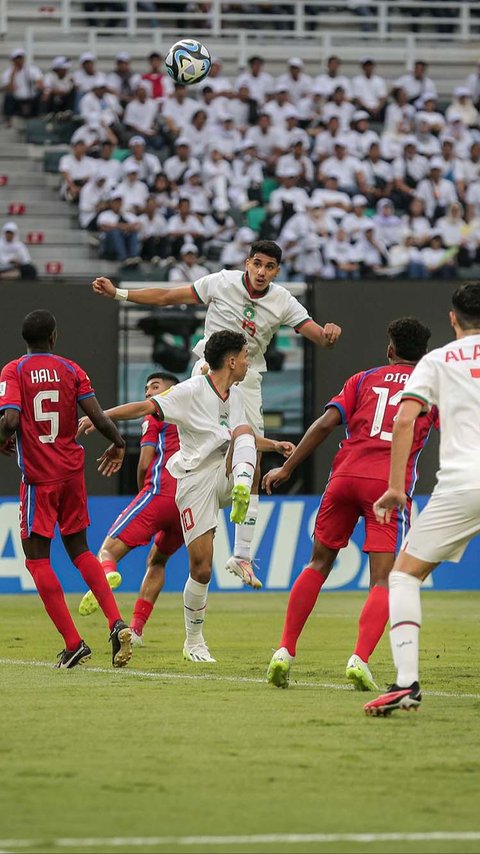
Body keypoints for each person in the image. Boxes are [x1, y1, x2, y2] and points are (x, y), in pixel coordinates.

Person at [91, 240, 342, 591]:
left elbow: (319, 336)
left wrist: (330, 335)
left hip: (248, 379)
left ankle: (240, 554)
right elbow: (167, 297)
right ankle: (193, 491)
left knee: (251, 459)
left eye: (269, 267)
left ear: (277, 271)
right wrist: (119, 294)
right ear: (247, 262)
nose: (261, 272)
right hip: (208, 374)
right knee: (204, 449)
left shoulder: (283, 300)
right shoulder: (220, 282)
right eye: (257, 263)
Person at [263, 318, 437, 690]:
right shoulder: (431, 388)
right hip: (388, 486)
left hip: (344, 478)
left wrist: (287, 468)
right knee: (383, 579)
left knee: (318, 563)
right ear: (425, 356)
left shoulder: (362, 379)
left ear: (390, 351)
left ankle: (284, 651)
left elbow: (325, 424)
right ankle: (359, 658)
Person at [83, 331, 258, 663]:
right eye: (246, 355)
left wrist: (274, 449)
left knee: (246, 433)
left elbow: (239, 436)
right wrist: (100, 416)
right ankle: (192, 641)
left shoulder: (236, 397)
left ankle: (242, 528)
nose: (250, 361)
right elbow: (143, 408)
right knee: (202, 568)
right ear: (231, 361)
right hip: (191, 483)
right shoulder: (189, 391)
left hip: (221, 472)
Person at [366, 283, 480, 715]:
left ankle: (405, 683)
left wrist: (396, 487)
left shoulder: (436, 361)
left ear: (453, 319)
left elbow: (405, 419)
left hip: (463, 484)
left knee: (404, 576)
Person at [0, 310, 132, 669]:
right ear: (54, 338)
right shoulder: (72, 369)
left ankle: (74, 644)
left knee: (37, 559)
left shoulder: (14, 370)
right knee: (80, 550)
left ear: (25, 340)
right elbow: (98, 414)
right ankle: (117, 621)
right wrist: (119, 443)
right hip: (72, 474)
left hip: (39, 479)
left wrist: (3, 437)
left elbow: (10, 420)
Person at [77, 372, 183, 645]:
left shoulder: (156, 415)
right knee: (158, 561)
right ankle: (136, 630)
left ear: (174, 390)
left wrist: (143, 493)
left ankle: (109, 572)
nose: (149, 394)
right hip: (189, 502)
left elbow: (146, 461)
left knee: (107, 550)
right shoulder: (195, 414)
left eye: (155, 387)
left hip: (160, 492)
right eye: (147, 389)